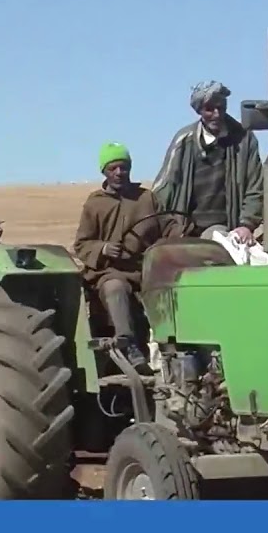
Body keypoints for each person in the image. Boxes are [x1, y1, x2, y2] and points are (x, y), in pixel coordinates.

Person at [73, 142, 182, 373]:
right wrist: (102, 249)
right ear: (104, 171)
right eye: (113, 168)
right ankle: (127, 344)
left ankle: (176, 351)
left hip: (145, 270)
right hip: (108, 272)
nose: (119, 173)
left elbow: (168, 225)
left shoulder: (146, 199)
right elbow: (81, 244)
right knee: (115, 288)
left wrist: (182, 234)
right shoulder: (95, 204)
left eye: (123, 167)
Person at [152, 80, 264, 245]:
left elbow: (255, 187)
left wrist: (247, 225)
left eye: (221, 108)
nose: (217, 114)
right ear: (199, 110)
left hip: (226, 230)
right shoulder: (184, 141)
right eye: (209, 109)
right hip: (186, 229)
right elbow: (164, 186)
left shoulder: (244, 140)